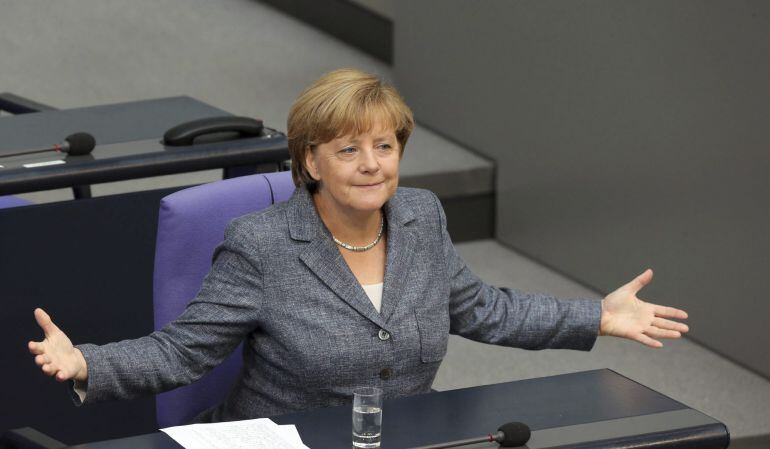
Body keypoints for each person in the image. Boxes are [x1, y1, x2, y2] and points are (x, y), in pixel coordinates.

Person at [28, 68, 689, 422]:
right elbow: (182, 349)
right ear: (311, 162)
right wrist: (85, 362)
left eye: (385, 146)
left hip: (405, 438)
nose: (373, 164)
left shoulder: (422, 217)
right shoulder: (260, 243)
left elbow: (484, 308)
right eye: (349, 149)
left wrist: (598, 316)